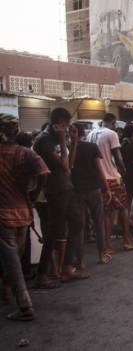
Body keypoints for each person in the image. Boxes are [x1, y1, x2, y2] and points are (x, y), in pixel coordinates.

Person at [0, 113, 48, 321]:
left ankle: (25, 305)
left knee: (12, 261)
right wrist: (34, 193)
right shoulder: (25, 153)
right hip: (23, 213)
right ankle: (6, 292)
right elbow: (44, 173)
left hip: (3, 215)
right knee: (14, 259)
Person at [87, 113, 133, 254]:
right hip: (112, 177)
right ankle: (127, 241)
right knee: (122, 207)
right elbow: (118, 157)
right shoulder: (111, 134)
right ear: (113, 122)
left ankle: (107, 245)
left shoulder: (91, 134)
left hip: (98, 178)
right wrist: (123, 172)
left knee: (107, 212)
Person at [33, 108, 74, 288]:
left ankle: (66, 268)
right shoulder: (45, 140)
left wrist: (75, 141)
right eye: (65, 125)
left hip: (64, 188)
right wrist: (64, 142)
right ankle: (43, 273)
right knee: (52, 232)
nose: (66, 129)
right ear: (57, 122)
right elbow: (64, 167)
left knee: (73, 224)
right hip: (53, 191)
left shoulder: (54, 139)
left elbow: (70, 165)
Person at [67, 123, 111, 269]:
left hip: (76, 190)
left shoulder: (68, 148)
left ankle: (80, 260)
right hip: (93, 188)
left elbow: (68, 168)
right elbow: (99, 169)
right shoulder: (91, 147)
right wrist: (107, 188)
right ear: (83, 133)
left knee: (80, 226)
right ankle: (102, 254)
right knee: (98, 222)